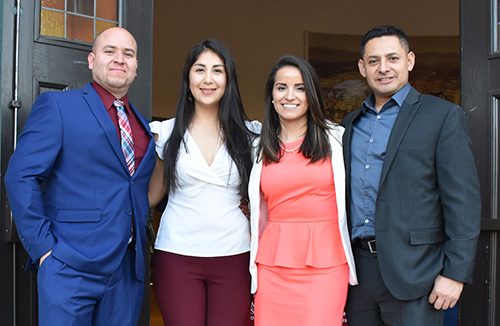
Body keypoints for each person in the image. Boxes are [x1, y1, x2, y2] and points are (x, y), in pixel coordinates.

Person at [4, 27, 156, 325]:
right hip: (69, 266)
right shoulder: (59, 106)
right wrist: (45, 250)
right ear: (91, 60)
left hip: (126, 273)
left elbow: (134, 189)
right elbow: (20, 176)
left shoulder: (143, 126)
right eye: (109, 51)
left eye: (129, 54)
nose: (119, 59)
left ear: (137, 67)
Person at [341, 25, 481, 326]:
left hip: (417, 273)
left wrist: (455, 272)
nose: (384, 68)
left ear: (410, 60)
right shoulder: (349, 125)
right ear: (362, 68)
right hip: (357, 273)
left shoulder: (442, 116)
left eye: (392, 58)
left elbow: (463, 202)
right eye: (374, 60)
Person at [147, 39, 260, 326]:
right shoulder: (166, 133)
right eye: (200, 70)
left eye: (217, 70)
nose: (208, 79)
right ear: (188, 77)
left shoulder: (251, 135)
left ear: (228, 79)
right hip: (176, 257)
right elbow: (150, 196)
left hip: (235, 256)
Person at [248, 55, 357, 326]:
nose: (290, 95)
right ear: (271, 96)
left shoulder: (338, 140)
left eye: (300, 88)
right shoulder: (258, 147)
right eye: (281, 87)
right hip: (272, 266)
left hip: (326, 265)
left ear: (312, 95)